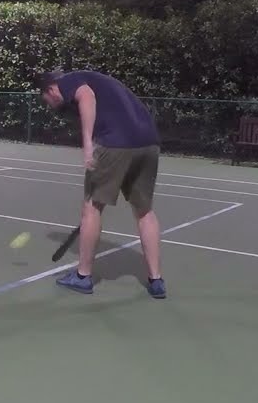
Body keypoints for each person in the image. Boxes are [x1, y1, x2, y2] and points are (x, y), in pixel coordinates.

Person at [37, 69, 166, 298]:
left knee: (92, 207)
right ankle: (156, 280)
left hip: (115, 143)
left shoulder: (69, 81)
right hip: (149, 142)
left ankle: (82, 276)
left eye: (46, 100)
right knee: (144, 211)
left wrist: (88, 144)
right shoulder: (101, 80)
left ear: (50, 88)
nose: (49, 105)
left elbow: (87, 96)